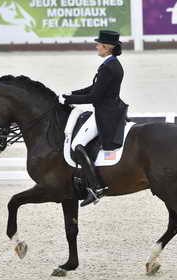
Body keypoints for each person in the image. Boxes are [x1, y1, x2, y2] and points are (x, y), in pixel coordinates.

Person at [61, 30, 128, 207]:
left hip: (106, 114)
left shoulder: (109, 67)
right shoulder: (111, 63)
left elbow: (95, 97)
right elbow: (94, 87)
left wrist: (69, 100)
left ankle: (96, 188)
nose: (96, 46)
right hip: (108, 109)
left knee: (77, 145)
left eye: (99, 44)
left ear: (107, 47)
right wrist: (72, 94)